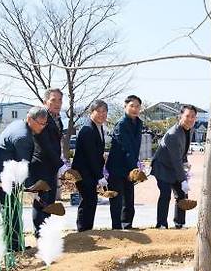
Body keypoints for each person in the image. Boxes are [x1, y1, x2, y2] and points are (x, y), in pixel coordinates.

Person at [0, 106, 49, 251]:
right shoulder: (24, 138)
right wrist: (32, 189)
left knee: (11, 210)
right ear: (29, 119)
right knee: (11, 210)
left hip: (6, 172)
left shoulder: (18, 124)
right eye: (40, 123)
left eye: (45, 124)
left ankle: (14, 244)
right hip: (4, 177)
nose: (42, 127)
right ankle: (14, 246)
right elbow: (23, 167)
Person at [150, 104, 197, 229]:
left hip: (174, 166)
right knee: (165, 193)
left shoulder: (190, 129)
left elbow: (183, 150)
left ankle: (179, 223)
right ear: (180, 116)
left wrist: (185, 162)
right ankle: (161, 224)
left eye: (193, 116)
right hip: (162, 166)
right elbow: (176, 159)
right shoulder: (173, 134)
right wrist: (183, 180)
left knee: (182, 194)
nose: (190, 119)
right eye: (187, 116)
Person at [30, 88, 66, 237]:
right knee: (41, 201)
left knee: (49, 201)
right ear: (45, 102)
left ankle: (46, 231)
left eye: (60, 100)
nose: (57, 103)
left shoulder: (58, 118)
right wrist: (61, 165)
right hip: (41, 166)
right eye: (53, 100)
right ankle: (39, 234)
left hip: (52, 166)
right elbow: (45, 145)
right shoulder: (42, 117)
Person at [106, 95, 143, 230]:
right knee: (116, 199)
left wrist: (135, 167)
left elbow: (135, 147)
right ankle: (117, 227)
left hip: (130, 166)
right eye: (131, 106)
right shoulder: (121, 124)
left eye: (137, 106)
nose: (135, 109)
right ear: (125, 107)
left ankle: (127, 225)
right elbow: (126, 147)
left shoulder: (139, 123)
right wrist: (133, 169)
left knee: (129, 198)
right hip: (117, 167)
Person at [72, 100, 108, 232]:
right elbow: (91, 155)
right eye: (98, 111)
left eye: (104, 111)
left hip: (90, 172)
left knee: (91, 201)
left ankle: (87, 229)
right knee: (88, 201)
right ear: (91, 112)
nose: (102, 114)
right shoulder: (87, 129)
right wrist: (100, 176)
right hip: (83, 172)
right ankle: (83, 231)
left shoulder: (98, 127)